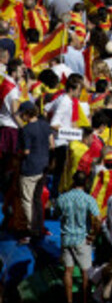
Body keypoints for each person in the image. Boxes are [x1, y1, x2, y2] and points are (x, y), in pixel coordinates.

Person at [55, 170, 101, 303]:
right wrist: (92, 235)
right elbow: (98, 219)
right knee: (85, 273)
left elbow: (56, 213)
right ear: (85, 182)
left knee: (68, 271)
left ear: (73, 181)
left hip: (66, 238)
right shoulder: (88, 199)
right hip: (82, 239)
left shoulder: (63, 198)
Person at [17, 101, 53, 240]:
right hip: (43, 166)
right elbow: (52, 144)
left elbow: (26, 151)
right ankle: (38, 225)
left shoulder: (26, 130)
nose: (21, 116)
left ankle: (32, 228)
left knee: (27, 200)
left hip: (30, 168)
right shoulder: (45, 125)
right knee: (37, 199)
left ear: (26, 114)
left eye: (22, 114)